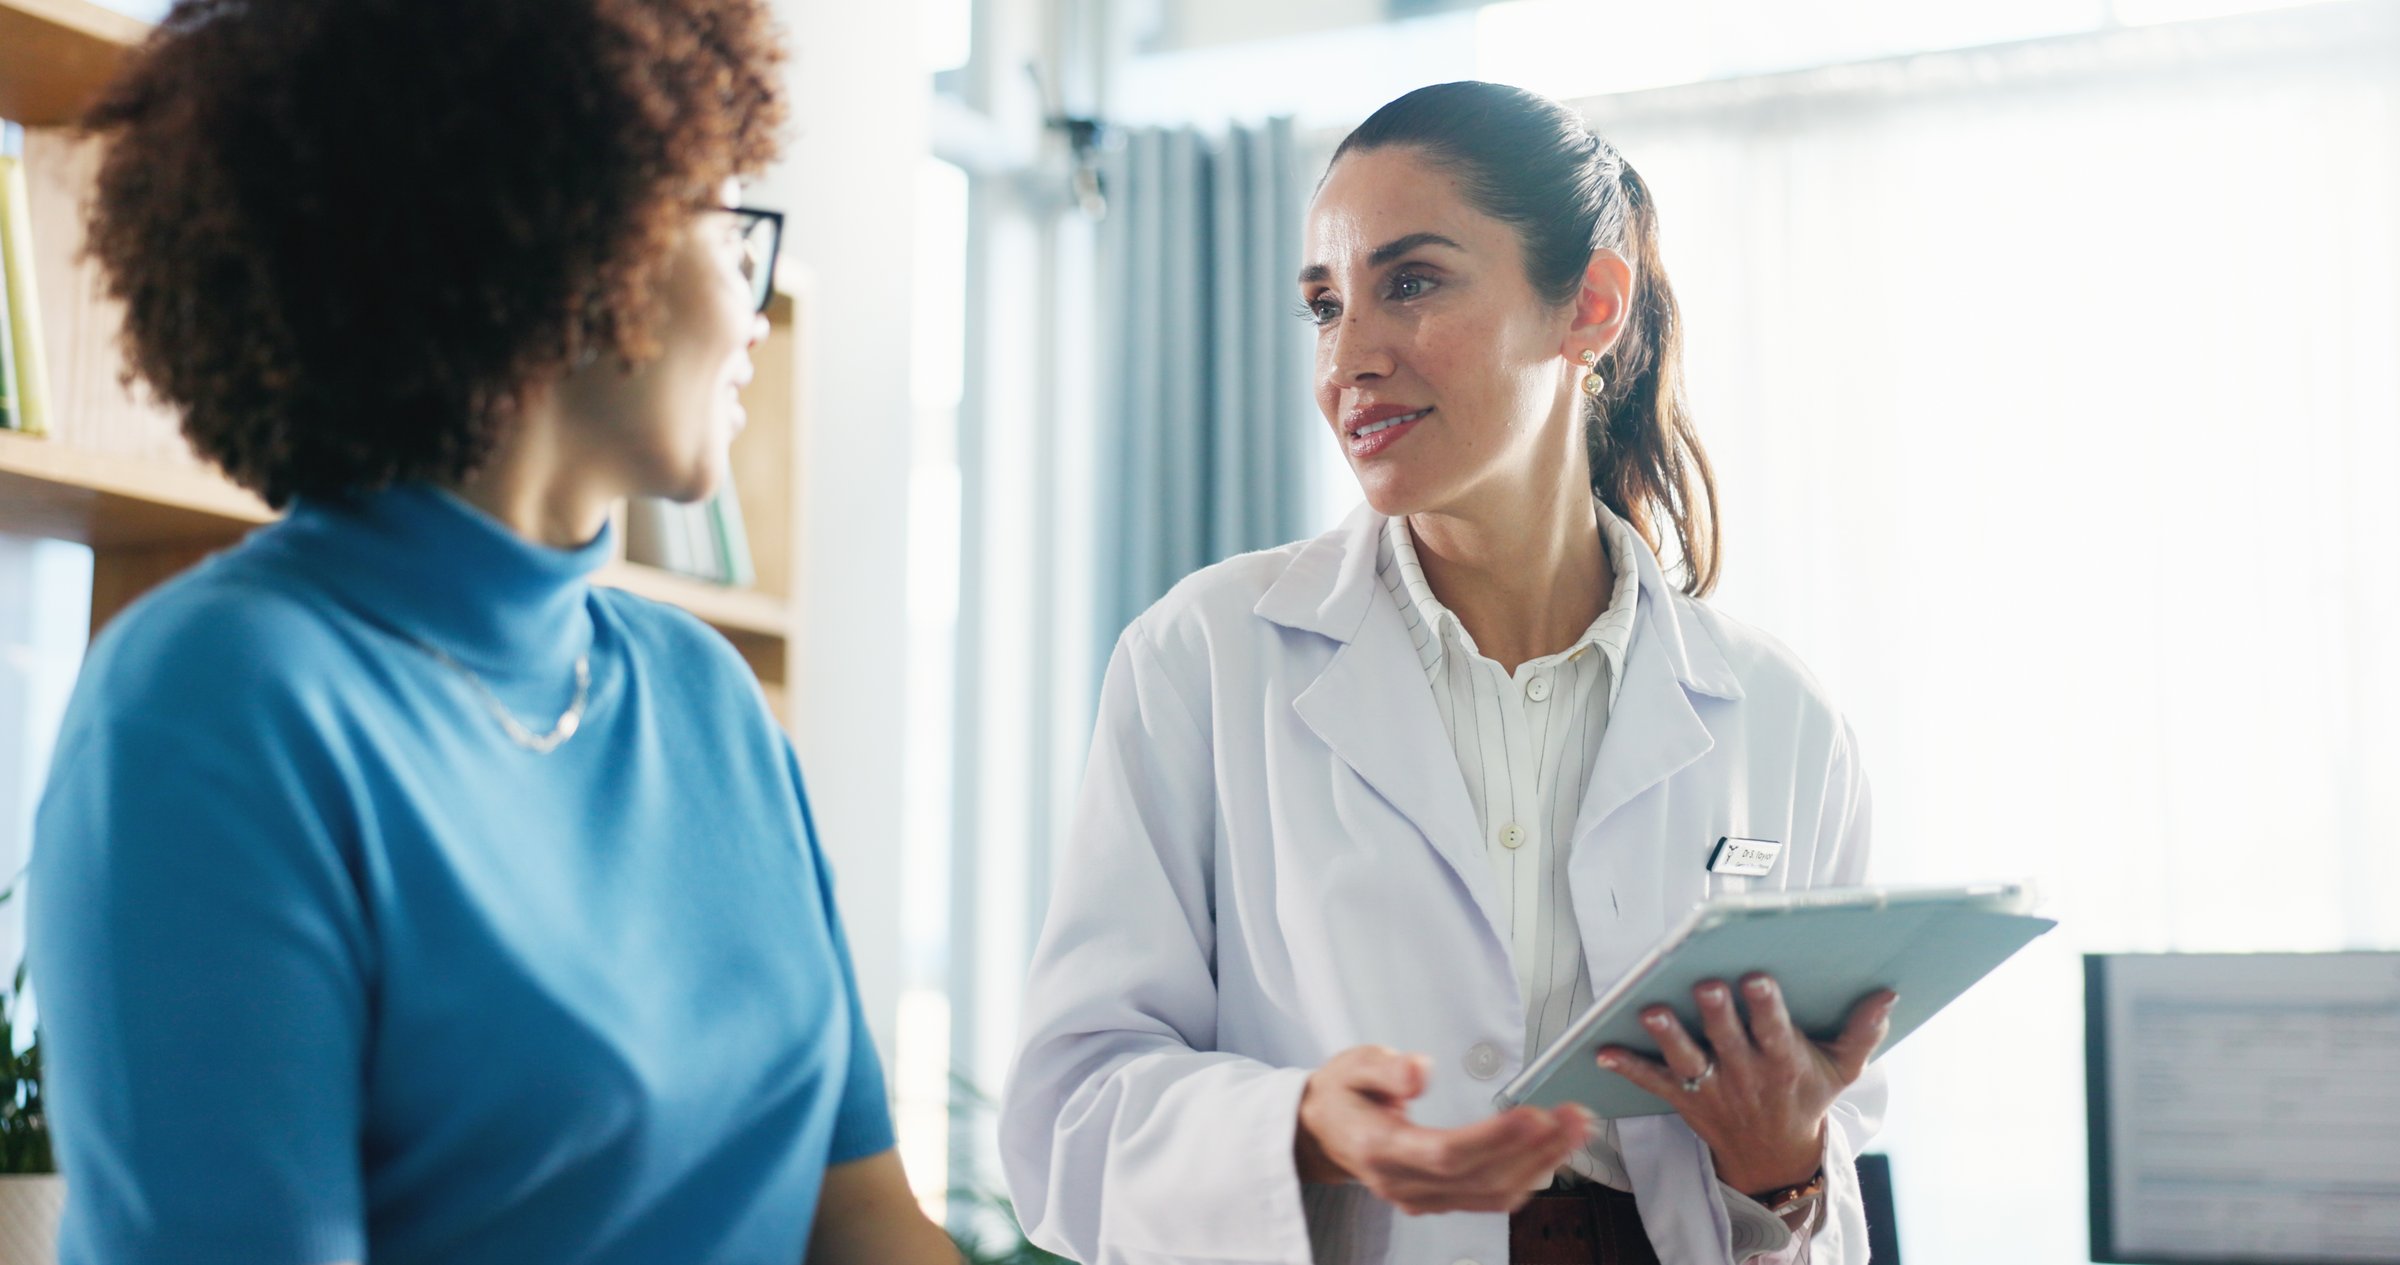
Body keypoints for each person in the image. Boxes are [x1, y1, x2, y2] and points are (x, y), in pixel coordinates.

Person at [27, 2, 956, 1262]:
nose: (754, 302)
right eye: (729, 223)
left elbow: (860, 1220)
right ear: (576, 234)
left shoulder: (706, 697)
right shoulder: (214, 705)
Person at [1001, 81, 1893, 1265]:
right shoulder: (1203, 657)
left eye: (1410, 283)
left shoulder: (1783, 722)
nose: (1349, 360)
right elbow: (1066, 1116)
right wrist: (1301, 1124)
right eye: (1324, 305)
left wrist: (1777, 1168)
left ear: (1590, 304)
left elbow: (1838, 1185)